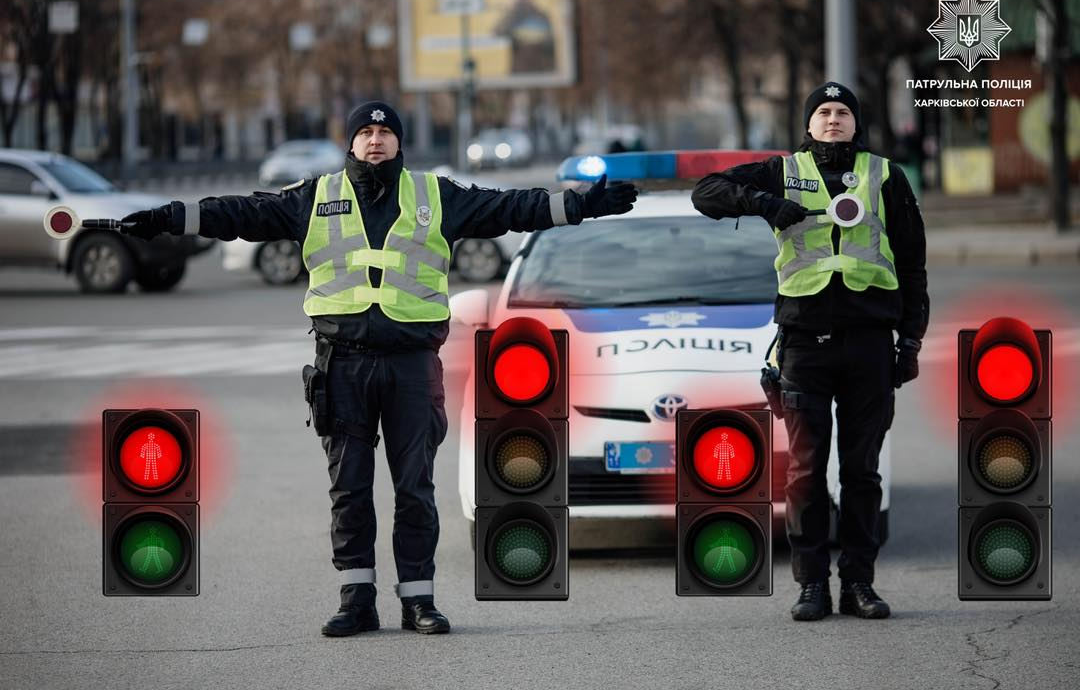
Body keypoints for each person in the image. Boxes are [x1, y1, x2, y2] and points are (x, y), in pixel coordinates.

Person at [118, 101, 638, 636]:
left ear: (399, 142)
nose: (374, 139)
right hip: (342, 365)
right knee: (350, 488)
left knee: (415, 488)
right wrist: (169, 219)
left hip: (412, 366)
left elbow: (509, 207)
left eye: (384, 131)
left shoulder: (436, 195)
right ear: (350, 142)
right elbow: (241, 215)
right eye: (364, 131)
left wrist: (580, 206)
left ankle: (419, 601)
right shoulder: (314, 197)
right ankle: (356, 600)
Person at [691, 82, 928, 621]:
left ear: (856, 122)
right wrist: (764, 204)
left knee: (862, 473)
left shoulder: (884, 175)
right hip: (804, 345)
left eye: (843, 111)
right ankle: (812, 585)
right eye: (823, 111)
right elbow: (706, 192)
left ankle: (859, 584)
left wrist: (910, 340)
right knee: (805, 472)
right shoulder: (783, 171)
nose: (833, 119)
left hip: (869, 343)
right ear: (809, 123)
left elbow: (913, 266)